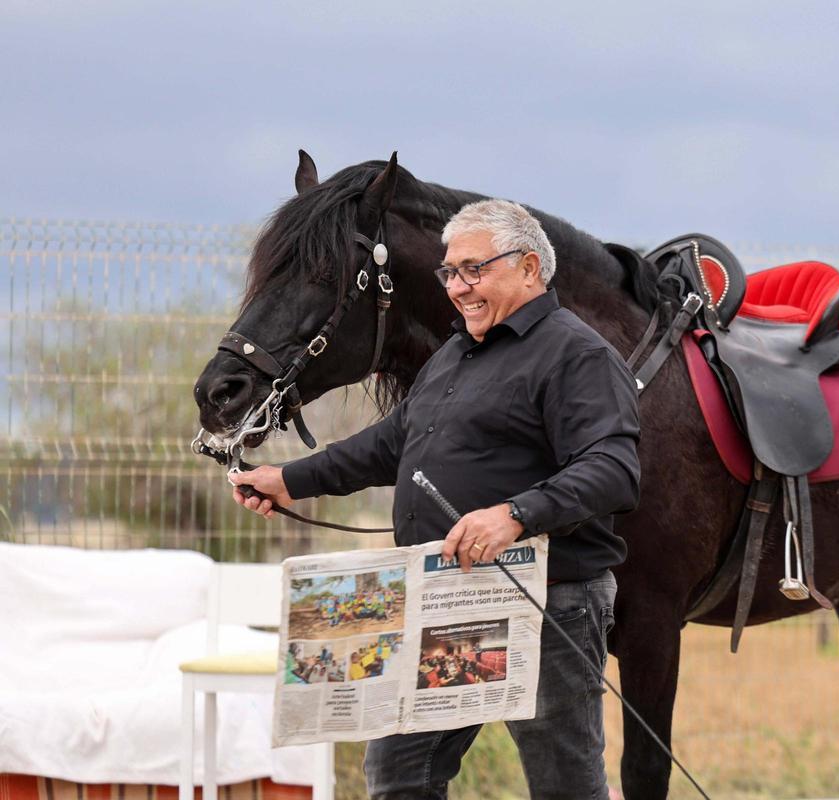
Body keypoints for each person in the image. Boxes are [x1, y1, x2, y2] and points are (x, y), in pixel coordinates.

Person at [232, 198, 641, 799]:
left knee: (564, 787)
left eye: (475, 269)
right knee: (400, 773)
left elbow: (613, 470)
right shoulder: (456, 351)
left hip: (547, 602)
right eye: (449, 271)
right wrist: (290, 479)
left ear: (530, 267)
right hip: (448, 598)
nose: (457, 287)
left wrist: (515, 515)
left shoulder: (578, 355)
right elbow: (392, 444)